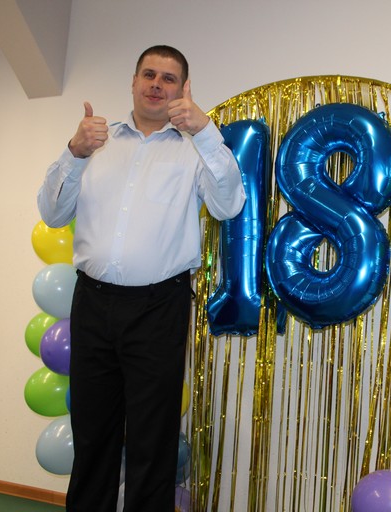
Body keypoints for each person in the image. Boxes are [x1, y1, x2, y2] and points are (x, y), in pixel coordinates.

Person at [37, 45, 246, 511]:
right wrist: (73, 153)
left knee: (153, 439)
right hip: (92, 304)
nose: (156, 84)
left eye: (168, 78)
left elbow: (229, 204)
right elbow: (52, 213)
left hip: (159, 308)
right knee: (92, 435)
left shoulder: (195, 150)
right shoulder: (95, 144)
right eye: (149, 74)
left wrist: (206, 131)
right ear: (133, 82)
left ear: (183, 89)